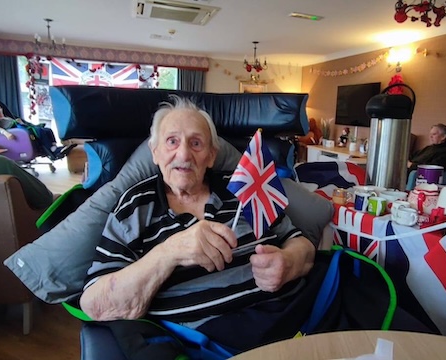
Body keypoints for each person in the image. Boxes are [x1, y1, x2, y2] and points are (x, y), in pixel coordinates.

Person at [79, 95, 317, 352]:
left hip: (300, 317)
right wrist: (170, 252)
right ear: (155, 152)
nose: (184, 154)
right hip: (217, 344)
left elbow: (299, 242)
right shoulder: (135, 206)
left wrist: (290, 262)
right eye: (172, 141)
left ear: (212, 156)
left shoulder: (244, 187)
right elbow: (94, 303)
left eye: (196, 143)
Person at [0, 100, 72, 160]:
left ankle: (54, 147)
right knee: (39, 131)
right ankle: (53, 151)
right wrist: (7, 133)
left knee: (47, 130)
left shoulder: (7, 117)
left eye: (0, 108)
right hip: (17, 131)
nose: (0, 110)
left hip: (22, 127)